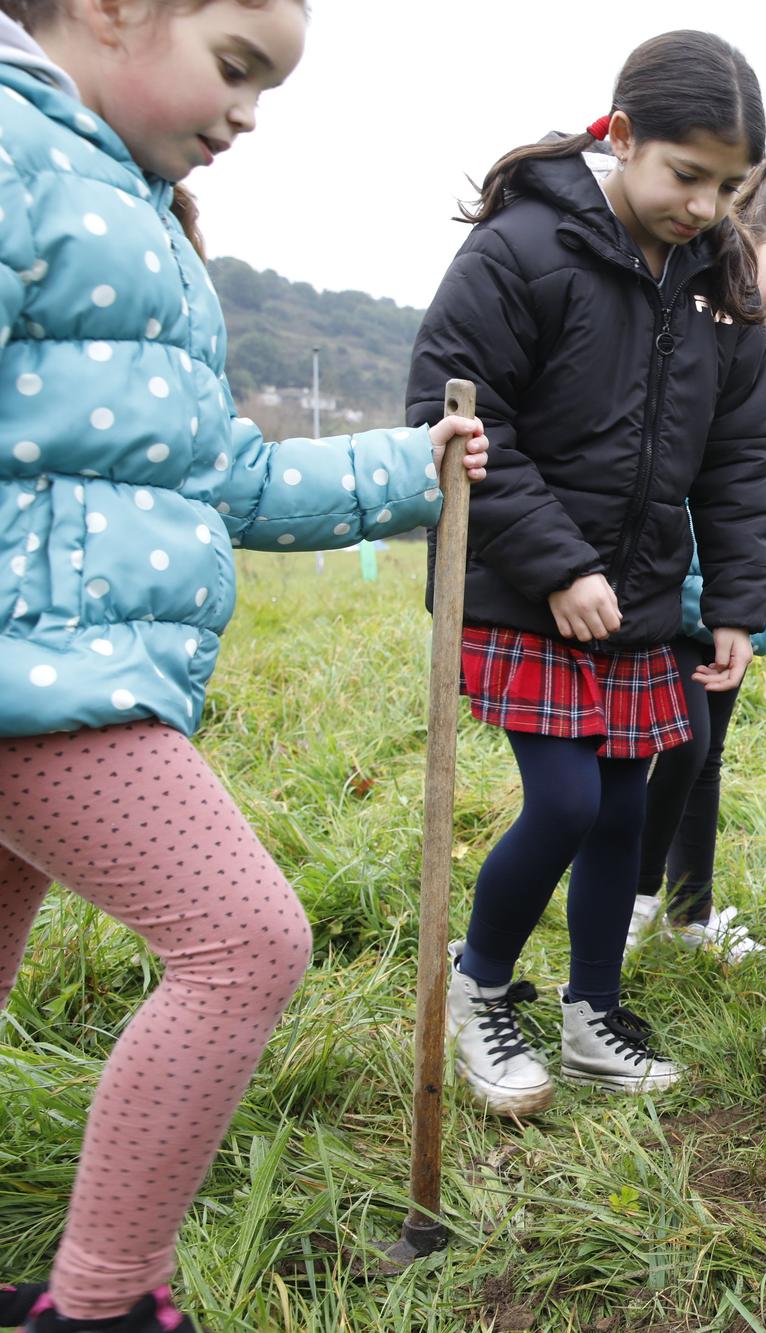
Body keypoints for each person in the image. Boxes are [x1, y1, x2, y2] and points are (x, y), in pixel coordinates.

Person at [0, 2, 488, 1328]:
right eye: (235, 66)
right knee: (244, 941)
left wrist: (409, 469)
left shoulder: (126, 208)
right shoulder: (14, 157)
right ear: (108, 10)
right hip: (40, 677)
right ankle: (100, 1305)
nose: (247, 113)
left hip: (60, 668)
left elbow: (229, 475)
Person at [405, 30, 766, 1115]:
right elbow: (456, 417)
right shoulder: (523, 250)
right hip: (523, 585)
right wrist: (559, 564)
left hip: (645, 598)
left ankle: (592, 1014)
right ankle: (478, 989)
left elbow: (736, 458)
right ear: (618, 137)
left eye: (729, 186)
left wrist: (736, 606)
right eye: (684, 175)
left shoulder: (722, 288)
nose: (704, 206)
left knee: (622, 810)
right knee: (564, 800)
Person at [628, 159, 766, 964]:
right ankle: (634, 901)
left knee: (706, 756)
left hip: (742, 593)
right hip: (685, 579)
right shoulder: (698, 327)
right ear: (742, 237)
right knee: (677, 747)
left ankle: (688, 914)